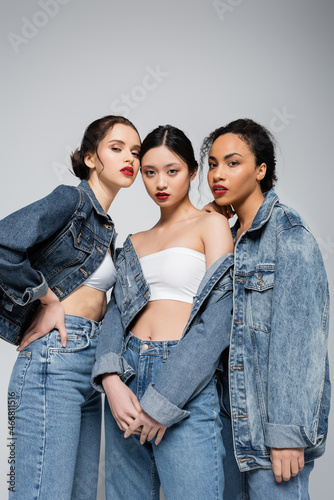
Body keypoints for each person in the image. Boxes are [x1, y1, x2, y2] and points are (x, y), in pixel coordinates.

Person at [1, 115, 141, 500]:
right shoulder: (72, 199)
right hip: (54, 360)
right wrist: (46, 299)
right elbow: (3, 244)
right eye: (116, 149)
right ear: (91, 158)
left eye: (135, 151)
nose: (129, 158)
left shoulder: (106, 228)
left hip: (91, 365)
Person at [92, 125, 234, 499]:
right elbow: (116, 315)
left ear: (191, 171)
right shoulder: (134, 241)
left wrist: (163, 400)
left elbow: (218, 322)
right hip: (128, 377)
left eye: (172, 171)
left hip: (184, 379)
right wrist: (110, 380)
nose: (160, 183)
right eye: (149, 172)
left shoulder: (212, 225)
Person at [201, 118, 330, 500]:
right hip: (226, 430)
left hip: (270, 435)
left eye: (232, 162)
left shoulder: (288, 234)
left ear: (261, 170)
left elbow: (301, 343)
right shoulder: (225, 236)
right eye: (211, 164)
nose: (217, 174)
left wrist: (287, 434)